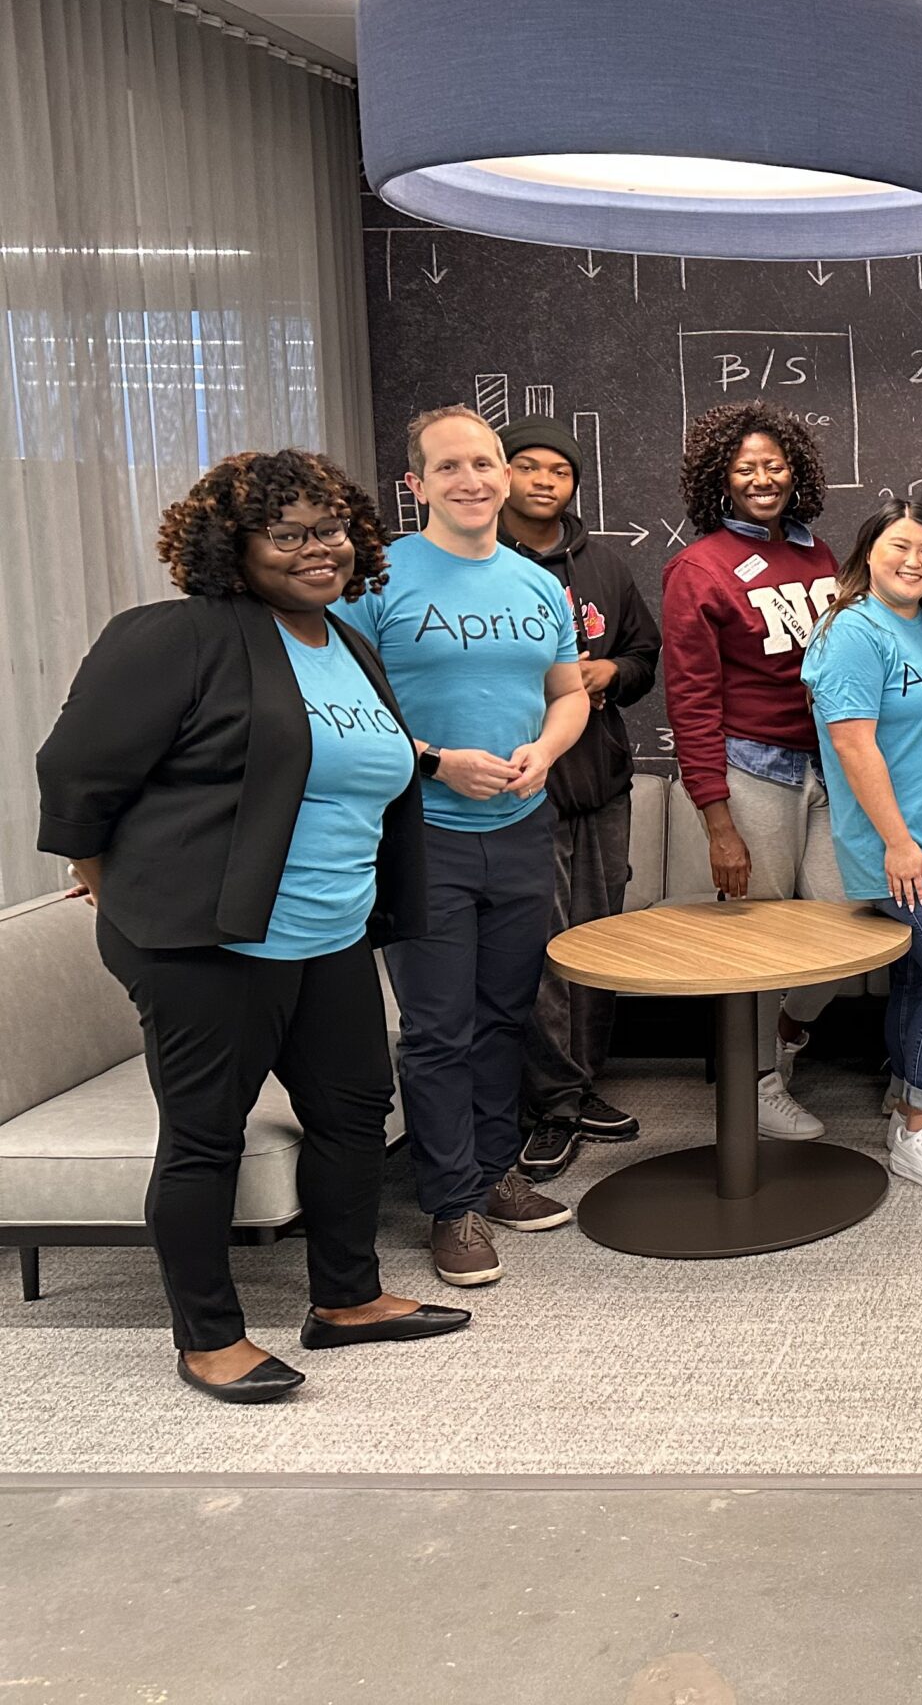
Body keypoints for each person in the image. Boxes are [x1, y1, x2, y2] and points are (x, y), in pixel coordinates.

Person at [35, 450, 469, 1401]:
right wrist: (108, 878)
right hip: (207, 940)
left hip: (332, 931)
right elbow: (76, 769)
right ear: (230, 547)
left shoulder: (341, 643)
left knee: (354, 1115)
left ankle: (346, 1300)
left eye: (333, 529)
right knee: (205, 1136)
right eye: (291, 534)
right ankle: (209, 1337)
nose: (321, 550)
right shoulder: (173, 637)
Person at [343, 406, 590, 1286]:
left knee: (504, 1014)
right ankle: (451, 1204)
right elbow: (342, 710)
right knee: (438, 1028)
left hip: (522, 829)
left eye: (484, 463)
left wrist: (547, 751)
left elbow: (569, 693)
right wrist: (436, 762)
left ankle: (495, 1172)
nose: (474, 480)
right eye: (449, 468)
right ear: (417, 486)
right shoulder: (375, 580)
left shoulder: (535, 585)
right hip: (420, 833)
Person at [659, 399, 844, 1142]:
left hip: (828, 769)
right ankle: (759, 1084)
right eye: (746, 468)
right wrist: (717, 819)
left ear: (795, 470)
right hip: (752, 772)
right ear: (721, 480)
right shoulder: (697, 568)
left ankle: (787, 1037)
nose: (763, 478)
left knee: (841, 923)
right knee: (761, 939)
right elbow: (691, 699)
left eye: (774, 464)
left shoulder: (820, 554)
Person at [803, 505, 922, 1193]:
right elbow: (853, 745)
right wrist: (897, 842)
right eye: (899, 546)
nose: (914, 560)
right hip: (904, 845)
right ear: (867, 551)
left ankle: (909, 1107)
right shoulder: (852, 630)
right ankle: (919, 1129)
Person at [496, 420, 661, 1182]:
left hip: (603, 781)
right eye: (527, 467)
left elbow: (643, 653)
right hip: (521, 788)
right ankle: (551, 1105)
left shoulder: (604, 565)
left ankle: (579, 1082)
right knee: (542, 950)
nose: (543, 481)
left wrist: (612, 676)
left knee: (599, 943)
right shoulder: (482, 565)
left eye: (558, 470)